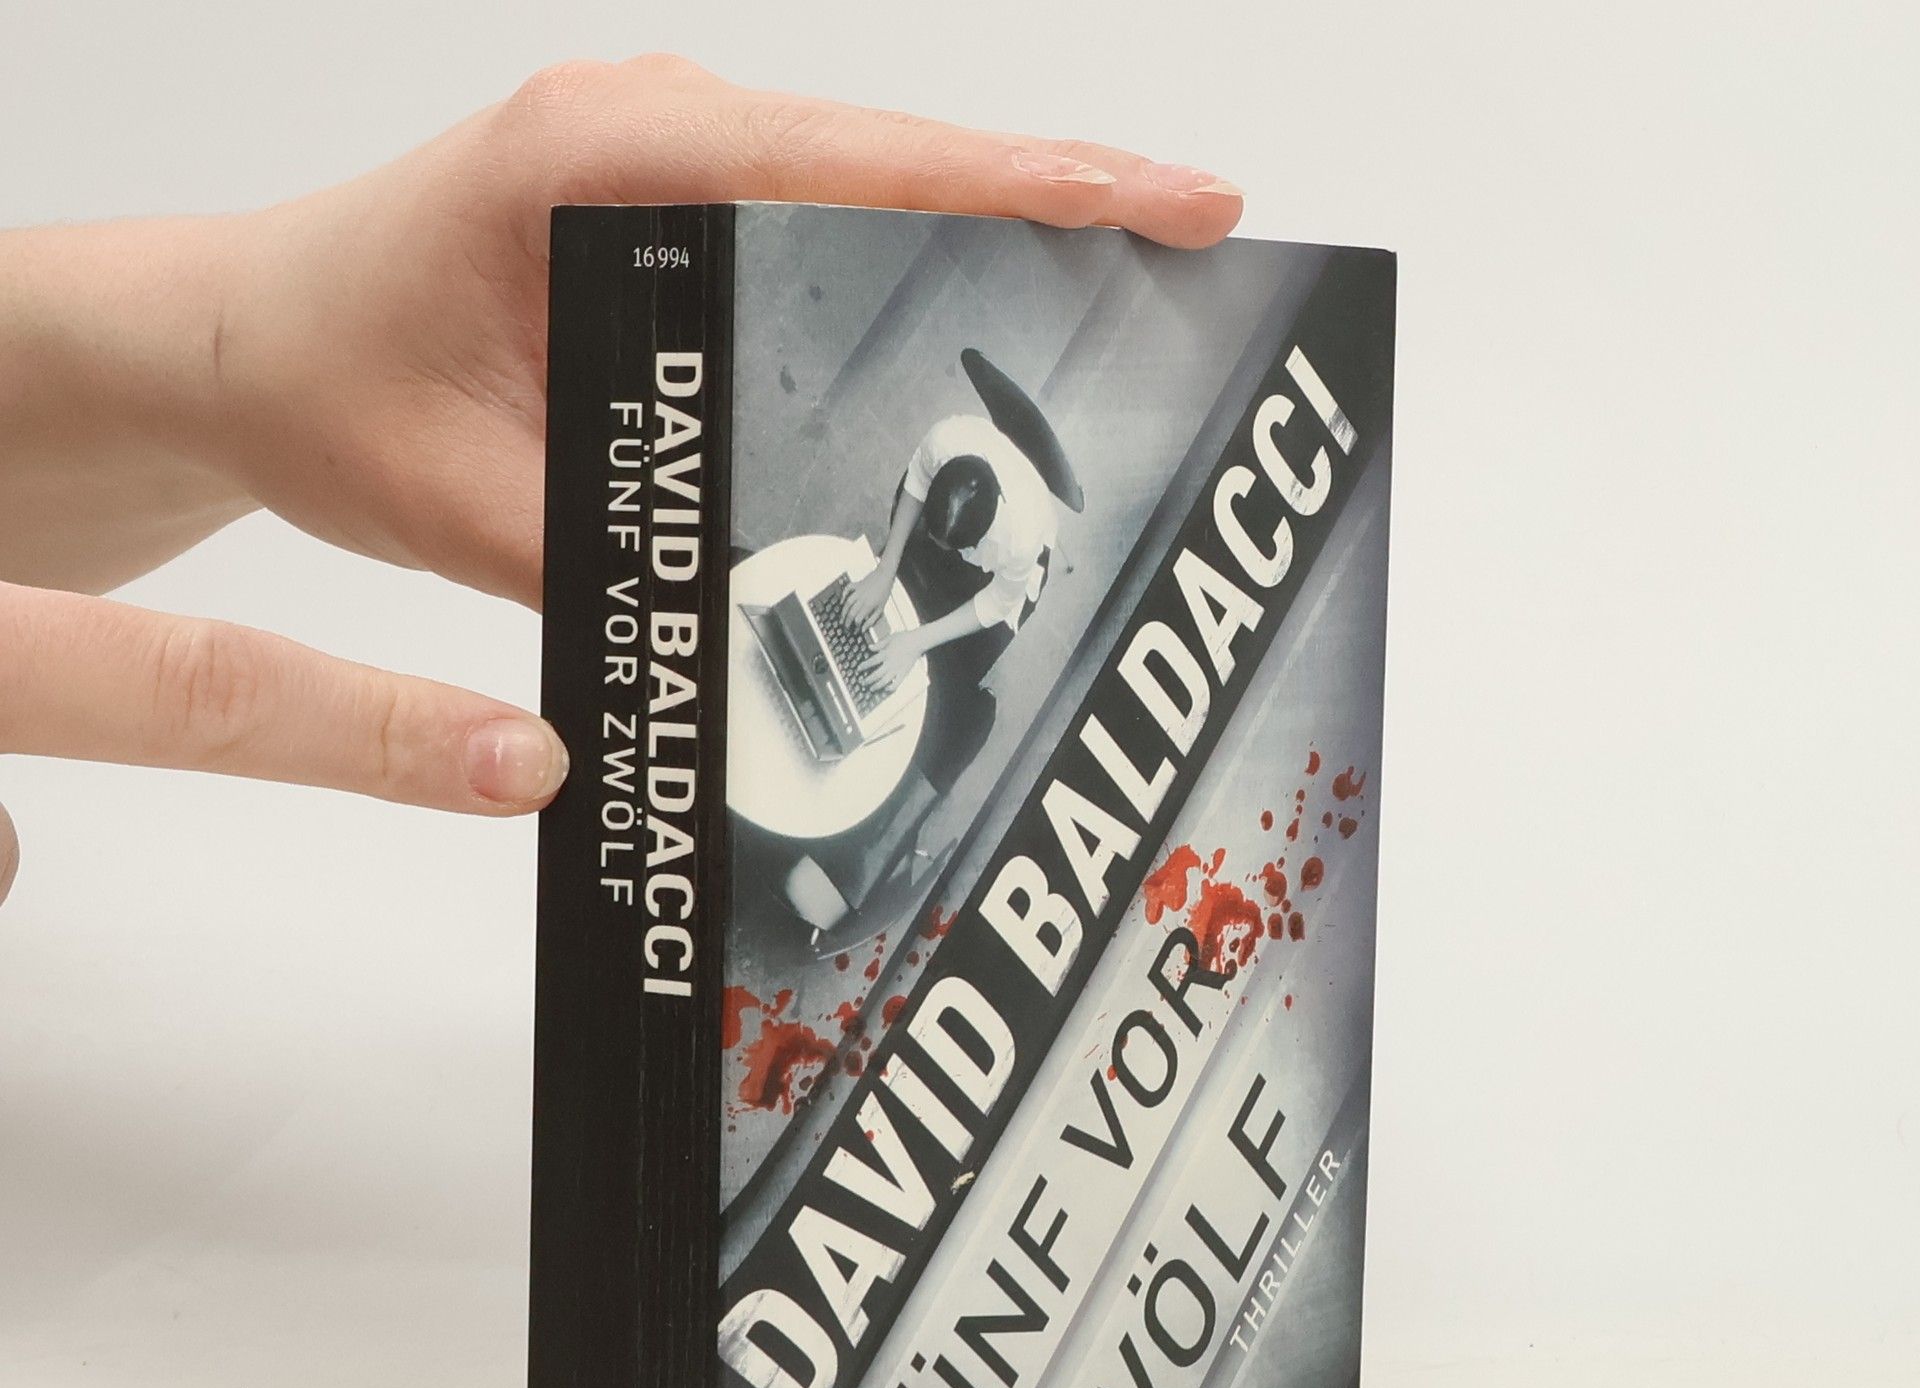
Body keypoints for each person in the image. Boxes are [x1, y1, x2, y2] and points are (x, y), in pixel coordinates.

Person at [0, 55, 1243, 911]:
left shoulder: (1023, 550)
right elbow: (912, 503)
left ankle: (858, 866)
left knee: (953, 725)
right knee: (750, 578)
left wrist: (911, 643)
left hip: (966, 626)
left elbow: (976, 617)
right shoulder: (957, 448)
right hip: (899, 577)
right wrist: (872, 589)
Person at [837, 412, 1059, 793]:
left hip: (999, 583)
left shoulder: (1021, 539)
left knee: (946, 672)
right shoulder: (945, 439)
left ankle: (972, 717)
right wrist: (885, 569)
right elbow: (917, 481)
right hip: (950, 529)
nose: (940, 549)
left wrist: (916, 642)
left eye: (950, 546)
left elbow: (996, 604)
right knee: (900, 583)